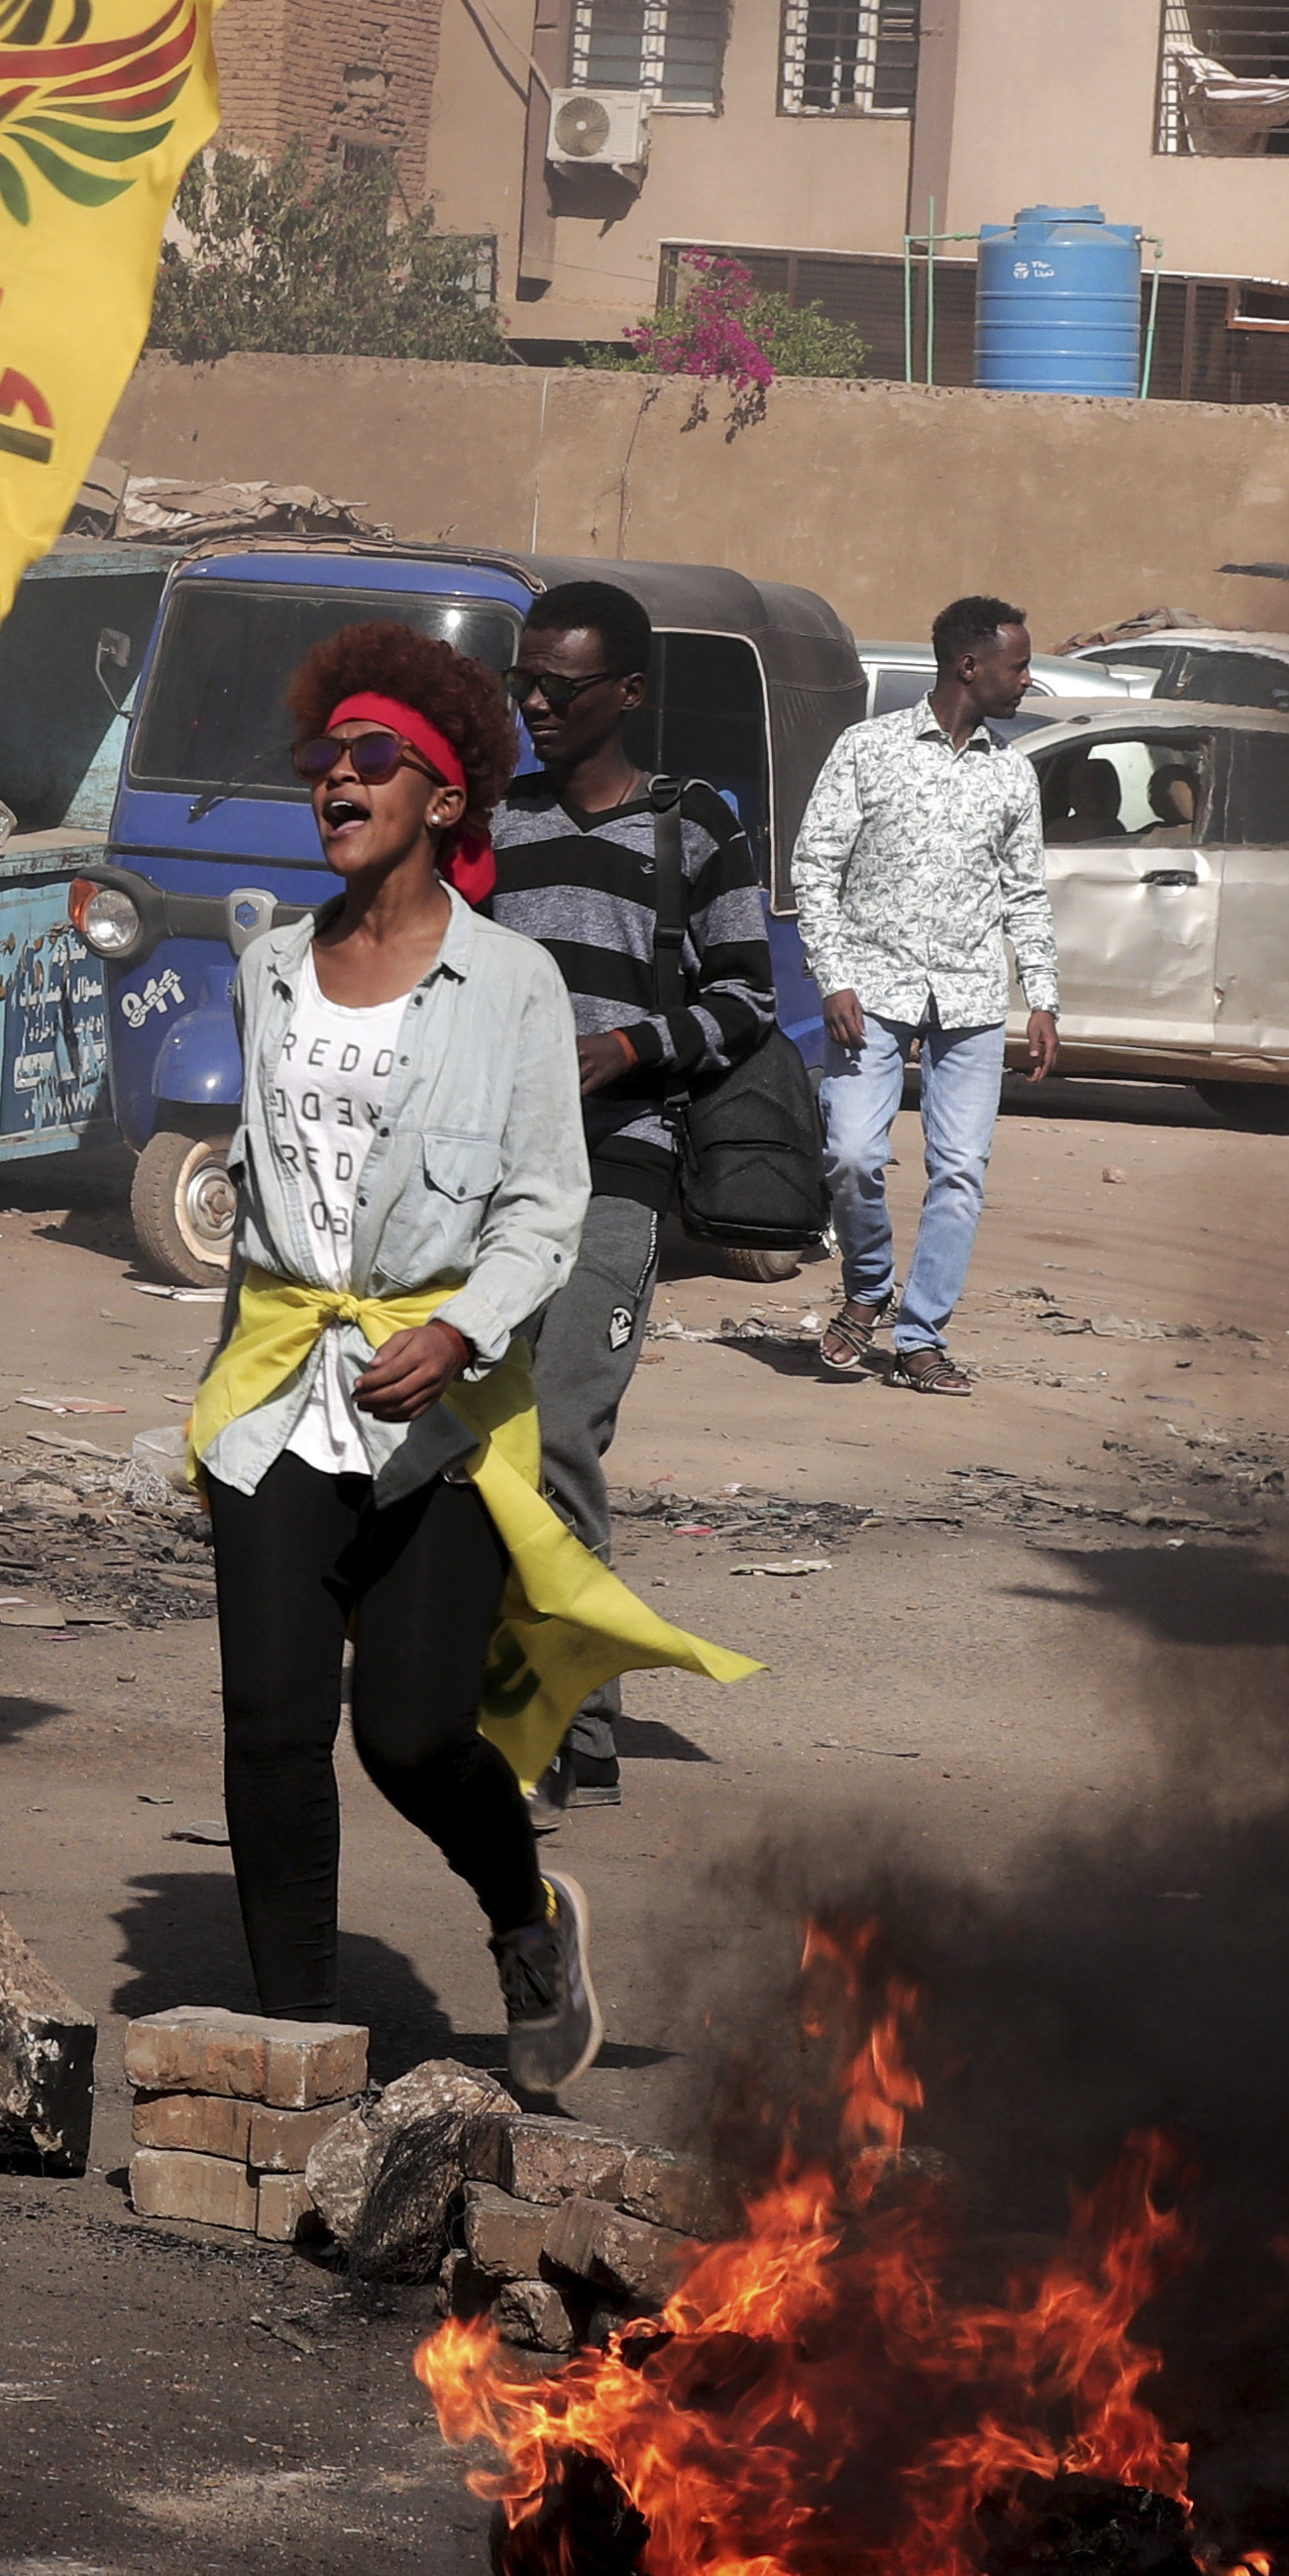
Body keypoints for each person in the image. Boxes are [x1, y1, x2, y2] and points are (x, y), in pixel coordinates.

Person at [180, 620, 745, 2086]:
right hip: (276, 1395)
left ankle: (523, 1911)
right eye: (324, 759)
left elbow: (546, 1205)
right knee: (268, 1727)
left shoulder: (509, 985)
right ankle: (290, 2050)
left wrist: (455, 1329)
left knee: (413, 1737)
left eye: (375, 759)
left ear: (443, 802)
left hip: (440, 1410)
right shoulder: (269, 971)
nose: (336, 780)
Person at [478, 579, 783, 1802]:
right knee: (477, 1451)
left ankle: (576, 1736)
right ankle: (512, 1709)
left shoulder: (693, 825)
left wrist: (633, 1046)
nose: (537, 703)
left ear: (629, 693)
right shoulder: (495, 822)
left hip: (621, 1163)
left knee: (560, 1439)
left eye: (562, 685)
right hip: (489, 1172)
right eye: (524, 682)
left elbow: (750, 996)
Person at [788, 590, 1060, 1397]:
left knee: (960, 1173)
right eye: (1017, 667)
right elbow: (816, 868)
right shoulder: (867, 749)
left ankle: (921, 1337)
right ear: (968, 666)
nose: (1025, 683)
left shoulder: (1012, 775)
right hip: (870, 988)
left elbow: (1027, 896)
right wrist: (833, 973)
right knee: (851, 1154)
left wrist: (1042, 995)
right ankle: (868, 1285)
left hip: (972, 999)